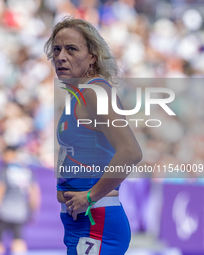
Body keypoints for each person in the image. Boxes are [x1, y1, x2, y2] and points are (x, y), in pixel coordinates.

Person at [44, 17, 142, 255]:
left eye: (71, 49)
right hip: (80, 222)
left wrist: (89, 196)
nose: (61, 56)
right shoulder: (80, 95)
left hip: (96, 220)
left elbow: (131, 153)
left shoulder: (95, 93)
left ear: (92, 57)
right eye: (56, 49)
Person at [0, 146, 41, 254]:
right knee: (18, 240)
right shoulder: (27, 172)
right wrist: (33, 211)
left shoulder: (5, 170)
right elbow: (35, 194)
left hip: (4, 211)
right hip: (20, 213)